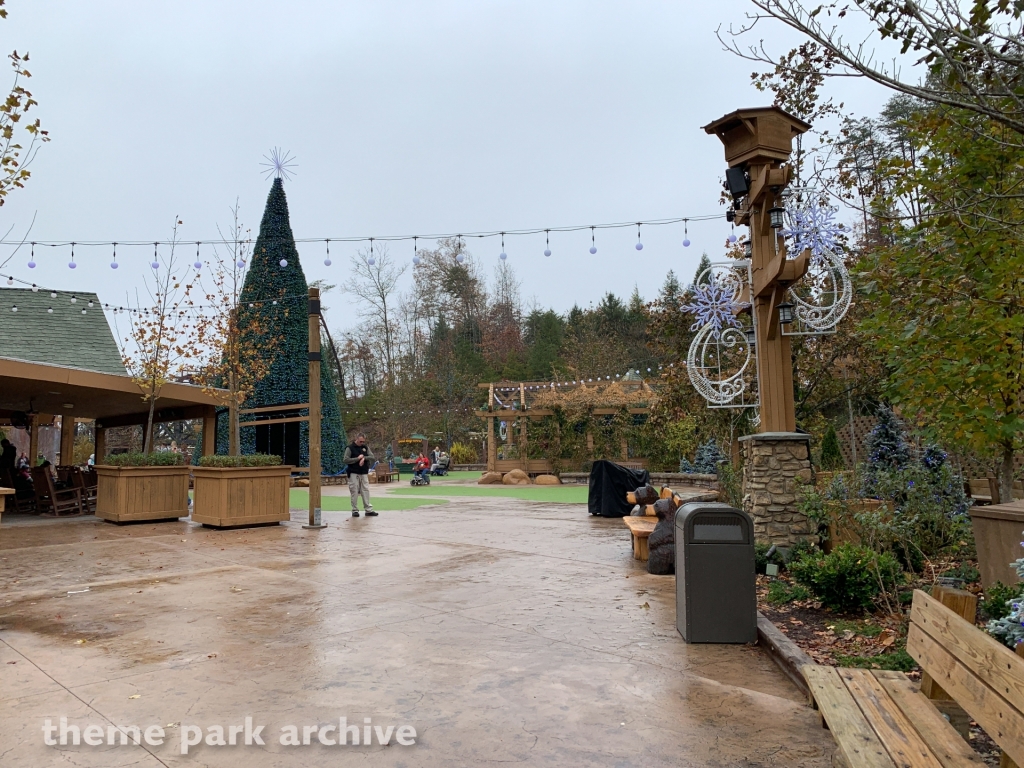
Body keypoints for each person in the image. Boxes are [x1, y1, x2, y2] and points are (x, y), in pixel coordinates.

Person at [344, 433, 377, 518]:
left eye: (363, 441)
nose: (362, 443)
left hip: (364, 472)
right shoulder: (349, 448)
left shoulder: (365, 447)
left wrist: (364, 458)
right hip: (353, 472)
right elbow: (346, 459)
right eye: (360, 441)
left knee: (365, 490)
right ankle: (355, 510)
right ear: (356, 439)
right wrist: (357, 459)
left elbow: (372, 457)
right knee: (354, 491)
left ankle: (368, 510)